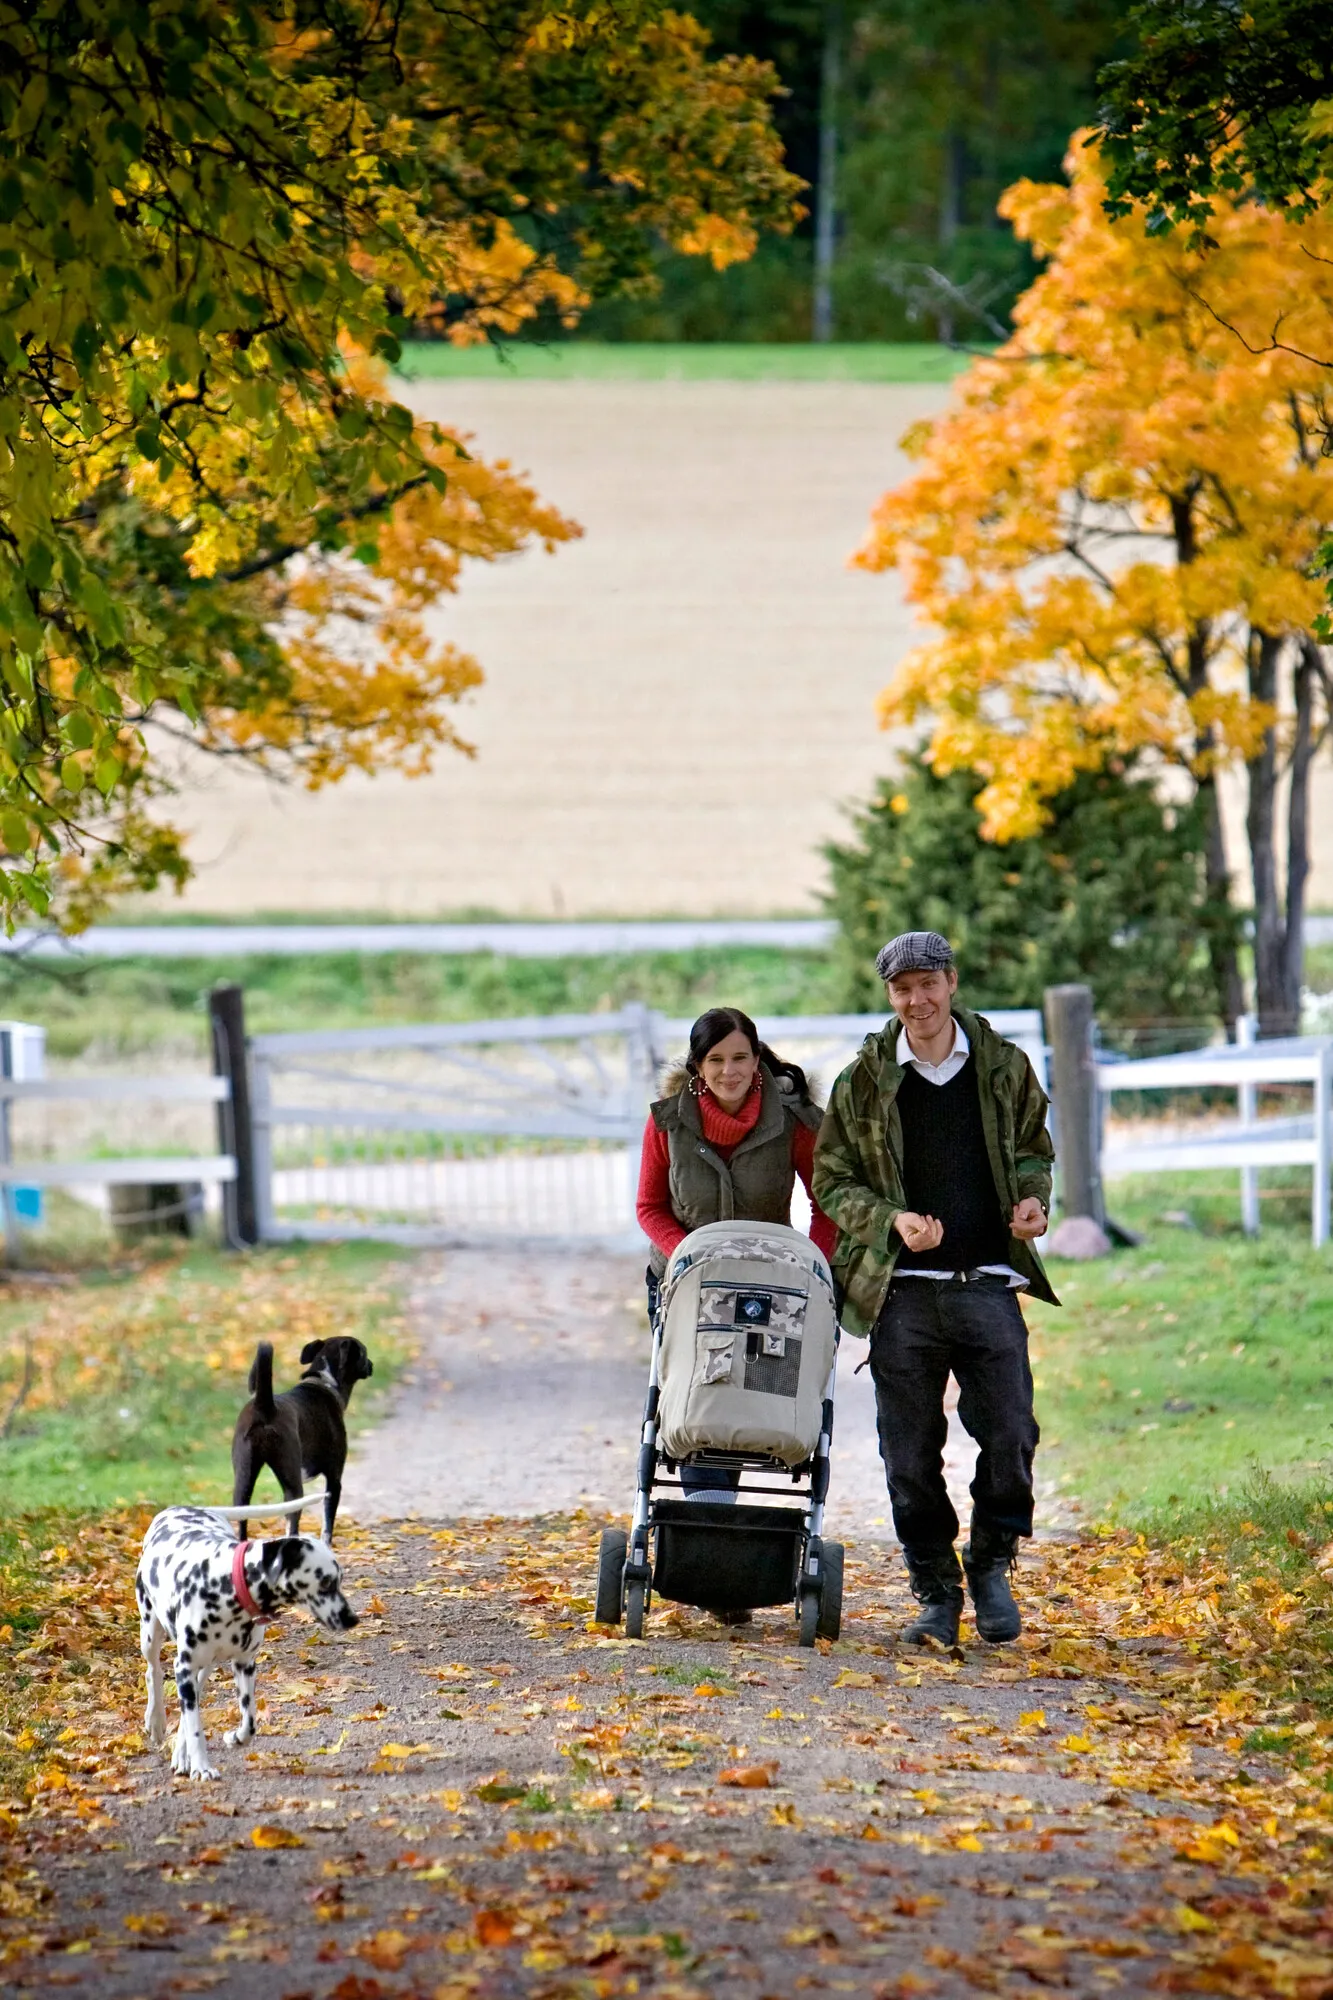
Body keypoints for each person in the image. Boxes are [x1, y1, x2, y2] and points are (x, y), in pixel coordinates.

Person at [812, 931, 1056, 1648]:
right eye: (900, 988)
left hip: (985, 1281)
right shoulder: (862, 1079)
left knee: (1010, 1434)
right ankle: (935, 1588)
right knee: (909, 1453)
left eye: (927, 984)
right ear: (888, 995)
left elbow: (1032, 1148)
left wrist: (1034, 1201)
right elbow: (830, 1179)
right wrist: (890, 1221)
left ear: (950, 983)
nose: (915, 1000)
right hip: (903, 1292)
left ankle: (989, 1565)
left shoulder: (1002, 1066)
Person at [637, 1004, 838, 1511]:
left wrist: (814, 1265)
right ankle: (710, 1517)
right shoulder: (667, 1122)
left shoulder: (792, 1118)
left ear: (757, 1059)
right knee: (701, 1401)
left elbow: (826, 1205)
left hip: (770, 1289)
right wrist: (686, 1258)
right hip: (687, 1285)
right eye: (717, 1060)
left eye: (741, 1058)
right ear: (698, 1067)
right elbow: (650, 1207)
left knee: (758, 1403)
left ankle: (749, 1527)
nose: (731, 1072)